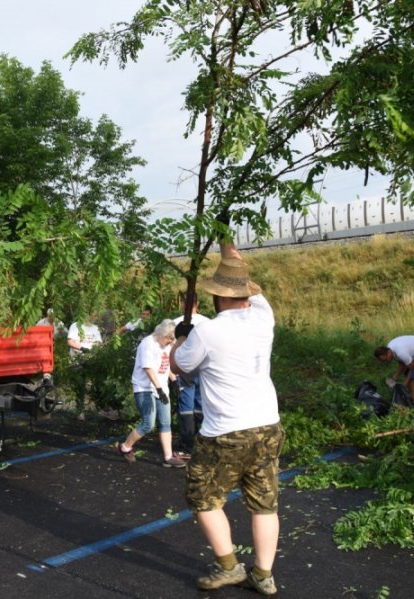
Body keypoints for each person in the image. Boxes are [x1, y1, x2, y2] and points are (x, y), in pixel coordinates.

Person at [170, 243, 284, 596]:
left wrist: (179, 342)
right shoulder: (264, 318)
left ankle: (228, 567)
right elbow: (251, 284)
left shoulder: (208, 332)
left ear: (218, 297)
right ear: (246, 292)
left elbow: (179, 367)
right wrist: (228, 249)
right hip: (267, 425)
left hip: (225, 432)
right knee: (265, 502)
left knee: (202, 496)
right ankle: (263, 575)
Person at [117, 319, 185, 468]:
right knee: (148, 424)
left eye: (173, 339)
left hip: (161, 387)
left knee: (166, 423)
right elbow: (149, 369)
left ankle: (168, 457)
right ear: (162, 334)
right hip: (144, 388)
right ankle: (125, 447)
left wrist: (175, 381)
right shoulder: (148, 344)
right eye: (169, 339)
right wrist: (159, 389)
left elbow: (166, 367)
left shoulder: (167, 345)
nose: (171, 342)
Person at [172, 292, 211, 459]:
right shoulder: (208, 323)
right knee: (201, 405)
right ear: (198, 303)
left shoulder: (175, 323)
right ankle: (205, 444)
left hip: (184, 369)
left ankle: (186, 446)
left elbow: (169, 349)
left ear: (182, 304)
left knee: (186, 407)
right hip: (203, 369)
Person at [374, 335, 414, 414]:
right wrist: (394, 379)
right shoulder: (390, 348)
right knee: (408, 374)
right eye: (383, 361)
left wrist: (405, 384)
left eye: (385, 359)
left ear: (388, 352)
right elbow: (402, 364)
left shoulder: (400, 352)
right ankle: (412, 400)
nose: (386, 361)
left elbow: (412, 369)